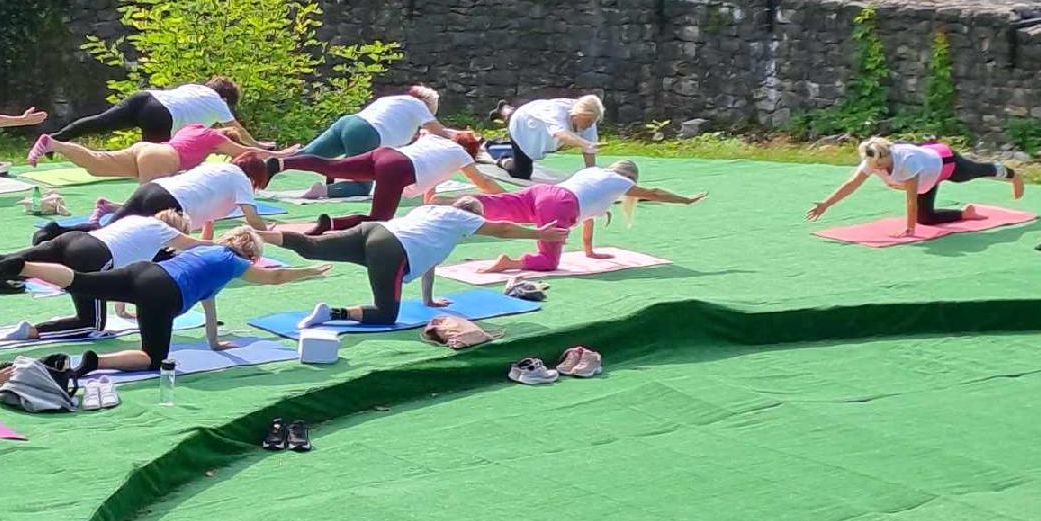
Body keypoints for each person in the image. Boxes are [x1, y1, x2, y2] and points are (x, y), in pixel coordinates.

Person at [9, 229, 330, 375]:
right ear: (251, 256)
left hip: (143, 272)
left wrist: (215, 342)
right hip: (161, 293)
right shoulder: (233, 263)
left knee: (84, 282)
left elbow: (209, 304)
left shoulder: (205, 252)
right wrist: (310, 271)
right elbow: (274, 278)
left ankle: (25, 266)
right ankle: (96, 362)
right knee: (152, 357)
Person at [257, 199, 566, 327]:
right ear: (471, 215)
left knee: (312, 247)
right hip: (390, 250)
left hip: (374, 231)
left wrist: (429, 299)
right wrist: (538, 232)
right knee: (385, 314)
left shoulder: (432, 215)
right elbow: (502, 229)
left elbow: (428, 260)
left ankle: (255, 235)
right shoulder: (460, 219)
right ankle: (330, 313)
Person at [0, 209, 204, 340]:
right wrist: (233, 246)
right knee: (92, 324)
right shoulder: (163, 233)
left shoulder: (136, 221)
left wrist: (123, 311)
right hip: (92, 257)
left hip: (73, 240)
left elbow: (126, 275)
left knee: (11, 262)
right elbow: (198, 247)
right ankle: (33, 331)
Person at [474, 160, 707, 273]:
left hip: (544, 193)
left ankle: (447, 202)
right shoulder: (620, 183)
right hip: (561, 204)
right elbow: (654, 193)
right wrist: (685, 200)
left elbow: (588, 217)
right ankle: (509, 263)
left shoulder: (594, 174)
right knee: (548, 262)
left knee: (498, 205)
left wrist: (589, 251)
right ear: (630, 178)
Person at [269, 132, 504, 231]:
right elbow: (482, 181)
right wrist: (509, 198)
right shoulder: (460, 155)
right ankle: (330, 224)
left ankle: (281, 164)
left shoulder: (435, 140)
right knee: (380, 220)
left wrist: (430, 202)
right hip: (398, 168)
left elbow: (429, 189)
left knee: (332, 166)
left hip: (385, 154)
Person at [807, 136, 1024, 236]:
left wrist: (909, 230)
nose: (878, 169)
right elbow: (851, 185)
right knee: (926, 219)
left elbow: (911, 198)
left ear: (888, 156)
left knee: (975, 172)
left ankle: (1012, 174)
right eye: (874, 165)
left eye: (880, 165)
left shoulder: (905, 162)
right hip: (926, 176)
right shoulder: (872, 159)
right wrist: (825, 205)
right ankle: (965, 214)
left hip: (946, 163)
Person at [294, 86, 452, 198]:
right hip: (366, 134)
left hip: (349, 123)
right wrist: (460, 140)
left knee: (302, 157)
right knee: (361, 186)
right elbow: (439, 132)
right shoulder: (418, 105)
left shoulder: (394, 102)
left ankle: (272, 165)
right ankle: (324, 191)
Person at [29, 77, 246, 155]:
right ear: (226, 98)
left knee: (101, 122)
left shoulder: (196, 89)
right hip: (160, 114)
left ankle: (55, 138)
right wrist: (258, 146)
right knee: (152, 159)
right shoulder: (217, 102)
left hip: (145, 98)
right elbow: (236, 130)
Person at [83, 155, 274, 236]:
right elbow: (252, 218)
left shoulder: (219, 168)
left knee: (104, 234)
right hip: (169, 203)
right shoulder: (241, 179)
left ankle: (58, 238)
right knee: (156, 252)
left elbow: (208, 216)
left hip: (152, 189)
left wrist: (204, 245)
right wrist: (272, 235)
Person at [34, 123, 287, 184]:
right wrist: (281, 154)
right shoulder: (216, 138)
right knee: (149, 205)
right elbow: (246, 152)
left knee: (96, 165)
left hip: (146, 148)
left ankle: (55, 144)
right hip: (163, 156)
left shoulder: (194, 128)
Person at [496, 94, 604, 179]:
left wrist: (591, 176)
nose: (590, 125)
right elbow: (560, 134)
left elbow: (589, 151)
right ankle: (503, 160)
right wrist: (585, 144)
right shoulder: (556, 111)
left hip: (537, 123)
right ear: (576, 115)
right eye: (588, 121)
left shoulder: (589, 121)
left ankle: (505, 110)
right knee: (520, 173)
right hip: (522, 126)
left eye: (593, 121)